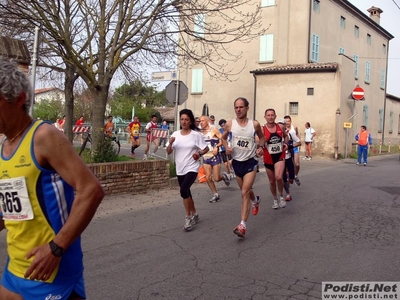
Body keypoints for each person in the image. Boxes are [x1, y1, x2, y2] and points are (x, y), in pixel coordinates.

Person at [0, 59, 104, 300]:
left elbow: (91, 190)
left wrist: (56, 248)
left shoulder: (43, 136)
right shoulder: (4, 146)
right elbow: (15, 210)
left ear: (19, 99)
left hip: (52, 272)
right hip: (15, 268)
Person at [221, 97, 265, 238]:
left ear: (247, 108)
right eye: (236, 107)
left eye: (241, 107)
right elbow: (223, 138)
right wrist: (226, 147)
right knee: (246, 191)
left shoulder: (255, 124)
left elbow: (262, 138)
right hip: (237, 163)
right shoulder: (230, 124)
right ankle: (255, 200)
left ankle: (242, 225)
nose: (238, 110)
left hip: (250, 162)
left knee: (244, 192)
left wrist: (260, 147)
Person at [166, 109, 209, 231]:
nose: (184, 122)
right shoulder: (175, 135)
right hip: (180, 168)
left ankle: (188, 217)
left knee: (183, 190)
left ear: (190, 122)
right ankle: (195, 213)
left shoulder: (196, 135)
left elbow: (205, 148)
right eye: (182, 119)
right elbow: (169, 151)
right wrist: (170, 144)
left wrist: (199, 153)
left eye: (186, 119)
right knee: (187, 193)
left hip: (192, 167)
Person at [200, 115, 231, 203]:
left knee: (216, 178)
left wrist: (217, 147)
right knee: (208, 177)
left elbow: (223, 139)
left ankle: (223, 176)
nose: (201, 122)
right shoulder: (200, 132)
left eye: (203, 121)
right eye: (200, 121)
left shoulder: (213, 130)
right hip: (206, 157)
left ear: (207, 121)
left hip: (215, 156)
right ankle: (215, 194)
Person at [262, 110, 288, 210]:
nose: (270, 117)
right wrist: (260, 145)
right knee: (272, 181)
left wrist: (285, 143)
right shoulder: (262, 129)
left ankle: (281, 196)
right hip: (268, 157)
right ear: (265, 117)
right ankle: (275, 199)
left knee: (278, 177)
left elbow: (286, 136)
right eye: (268, 115)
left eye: (272, 115)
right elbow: (258, 140)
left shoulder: (280, 127)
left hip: (280, 156)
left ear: (275, 116)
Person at [280, 118, 301, 201]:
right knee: (283, 177)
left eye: (283, 124)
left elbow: (299, 142)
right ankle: (288, 193)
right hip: (280, 159)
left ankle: (292, 177)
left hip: (288, 156)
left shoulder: (291, 132)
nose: (281, 126)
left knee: (291, 175)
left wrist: (289, 146)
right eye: (280, 124)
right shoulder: (275, 133)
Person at [284, 115, 301, 186]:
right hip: (287, 148)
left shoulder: (295, 128)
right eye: (286, 121)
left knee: (296, 164)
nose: (287, 122)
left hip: (294, 147)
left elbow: (298, 136)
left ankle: (296, 175)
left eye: (288, 121)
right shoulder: (283, 129)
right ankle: (288, 177)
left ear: (291, 121)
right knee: (288, 165)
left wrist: (298, 143)